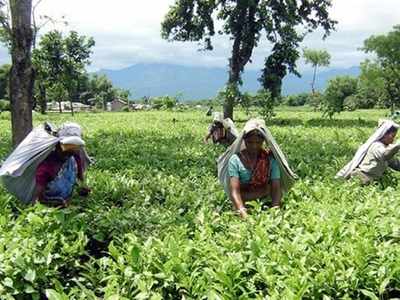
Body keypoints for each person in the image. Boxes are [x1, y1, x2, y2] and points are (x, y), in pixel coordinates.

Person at [218, 119, 297, 218]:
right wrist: (242, 211)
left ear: (263, 141)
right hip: (243, 200)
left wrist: (275, 209)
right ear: (244, 140)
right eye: (250, 142)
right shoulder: (235, 160)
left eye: (258, 142)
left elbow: (276, 187)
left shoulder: (270, 160)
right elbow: (235, 191)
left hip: (265, 200)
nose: (254, 146)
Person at [0, 122, 91, 205]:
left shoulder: (75, 158)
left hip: (67, 202)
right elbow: (38, 200)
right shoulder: (47, 167)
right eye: (66, 148)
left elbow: (80, 180)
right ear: (57, 145)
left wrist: (83, 188)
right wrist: (56, 202)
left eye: (74, 148)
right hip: (52, 208)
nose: (69, 152)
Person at [336, 119, 400, 185]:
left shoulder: (384, 148)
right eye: (392, 136)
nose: (393, 140)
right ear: (384, 135)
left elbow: (395, 164)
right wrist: (397, 145)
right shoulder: (376, 146)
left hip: (370, 180)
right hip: (361, 177)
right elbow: (385, 155)